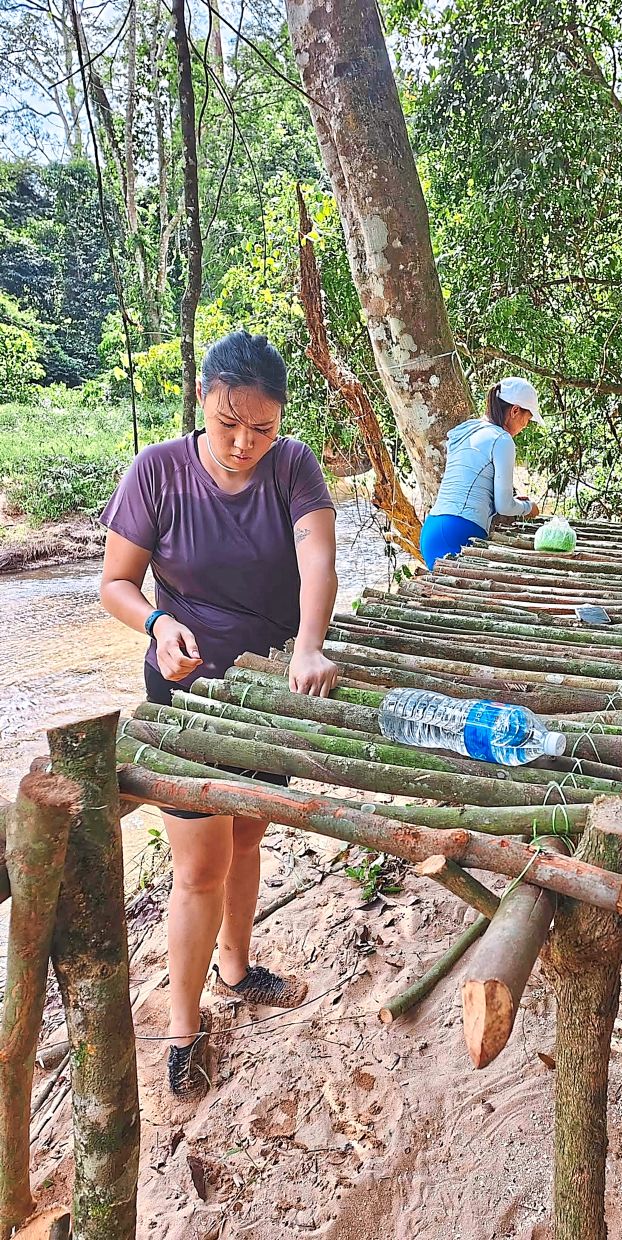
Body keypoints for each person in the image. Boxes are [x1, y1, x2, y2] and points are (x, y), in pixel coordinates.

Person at [99, 330, 339, 1101]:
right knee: (198, 866)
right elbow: (116, 582)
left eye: (262, 428)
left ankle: (236, 968)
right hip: (186, 696)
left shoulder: (293, 466)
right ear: (202, 400)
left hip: (267, 692)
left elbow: (318, 559)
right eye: (229, 423)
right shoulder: (157, 472)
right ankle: (182, 1025)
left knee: (248, 832)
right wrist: (156, 625)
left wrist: (308, 645)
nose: (244, 443)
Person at [419, 376, 543, 570]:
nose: (525, 427)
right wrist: (528, 507)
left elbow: (472, 485)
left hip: (432, 529)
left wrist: (514, 501)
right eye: (526, 420)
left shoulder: (466, 430)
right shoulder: (501, 439)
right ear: (515, 410)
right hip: (459, 531)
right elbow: (504, 506)